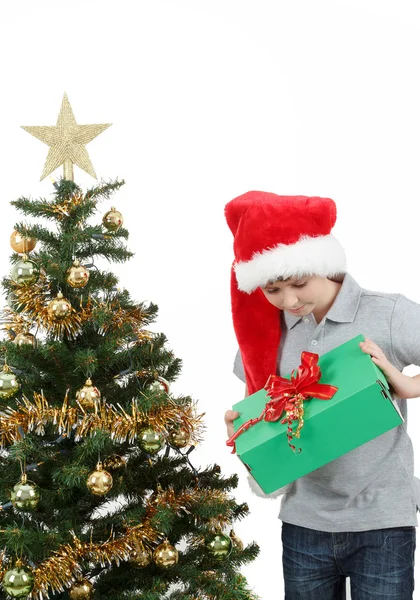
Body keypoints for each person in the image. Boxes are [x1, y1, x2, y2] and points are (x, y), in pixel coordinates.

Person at [224, 191, 419, 600]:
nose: (289, 301)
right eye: (273, 290)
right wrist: (248, 437)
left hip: (383, 521)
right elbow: (262, 423)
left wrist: (406, 386)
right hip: (304, 522)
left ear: (323, 265)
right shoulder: (266, 335)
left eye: (298, 284)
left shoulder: (387, 313)